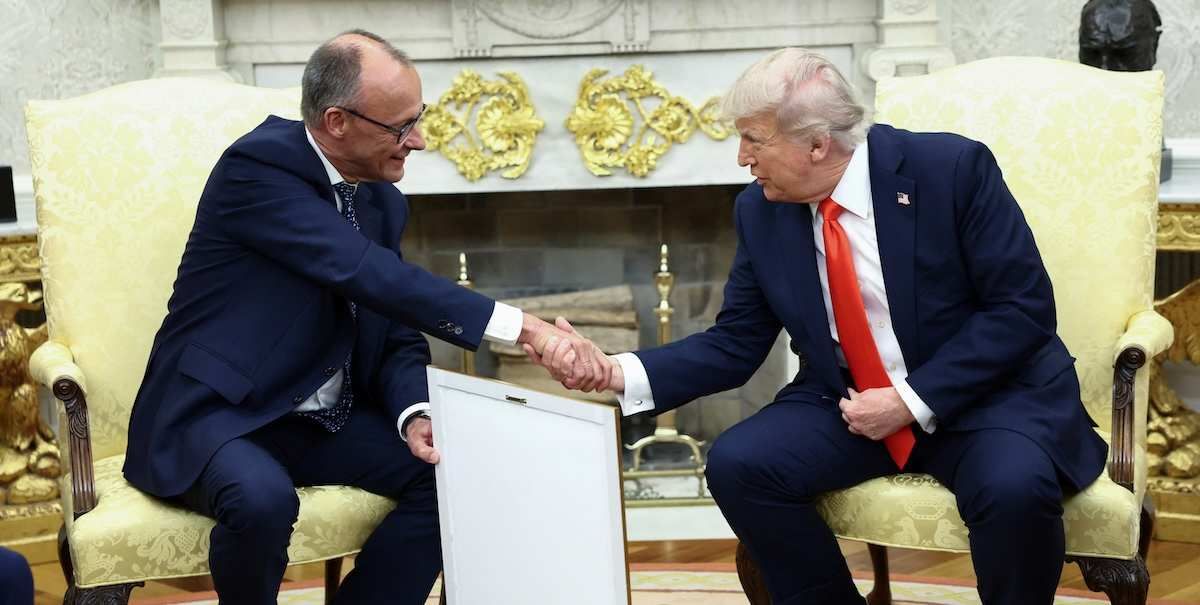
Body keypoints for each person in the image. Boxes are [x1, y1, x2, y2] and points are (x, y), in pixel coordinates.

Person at [534, 48, 1107, 605]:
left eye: (753, 140)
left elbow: (1021, 309)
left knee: (1013, 488)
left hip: (983, 398)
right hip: (849, 401)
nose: (742, 158)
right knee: (740, 464)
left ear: (816, 143)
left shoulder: (950, 169)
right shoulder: (760, 210)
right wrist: (613, 371)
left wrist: (909, 401)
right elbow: (735, 343)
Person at [121, 29, 607, 604]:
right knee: (262, 500)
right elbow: (365, 273)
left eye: (418, 118)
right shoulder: (257, 169)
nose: (418, 140)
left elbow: (394, 325)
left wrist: (413, 412)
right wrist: (524, 327)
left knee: (459, 473)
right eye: (401, 127)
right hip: (224, 415)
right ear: (336, 121)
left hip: (323, 421)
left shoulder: (380, 199)